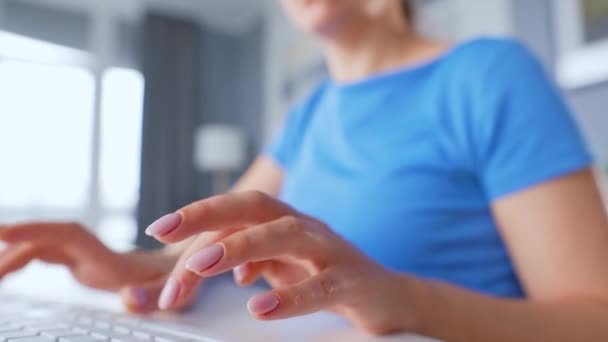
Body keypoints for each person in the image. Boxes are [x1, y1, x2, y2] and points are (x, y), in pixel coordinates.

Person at [2, 0, 608, 340]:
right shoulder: (310, 109)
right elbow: (207, 252)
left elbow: (595, 315)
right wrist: (123, 264)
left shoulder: (489, 75)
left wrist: (409, 300)